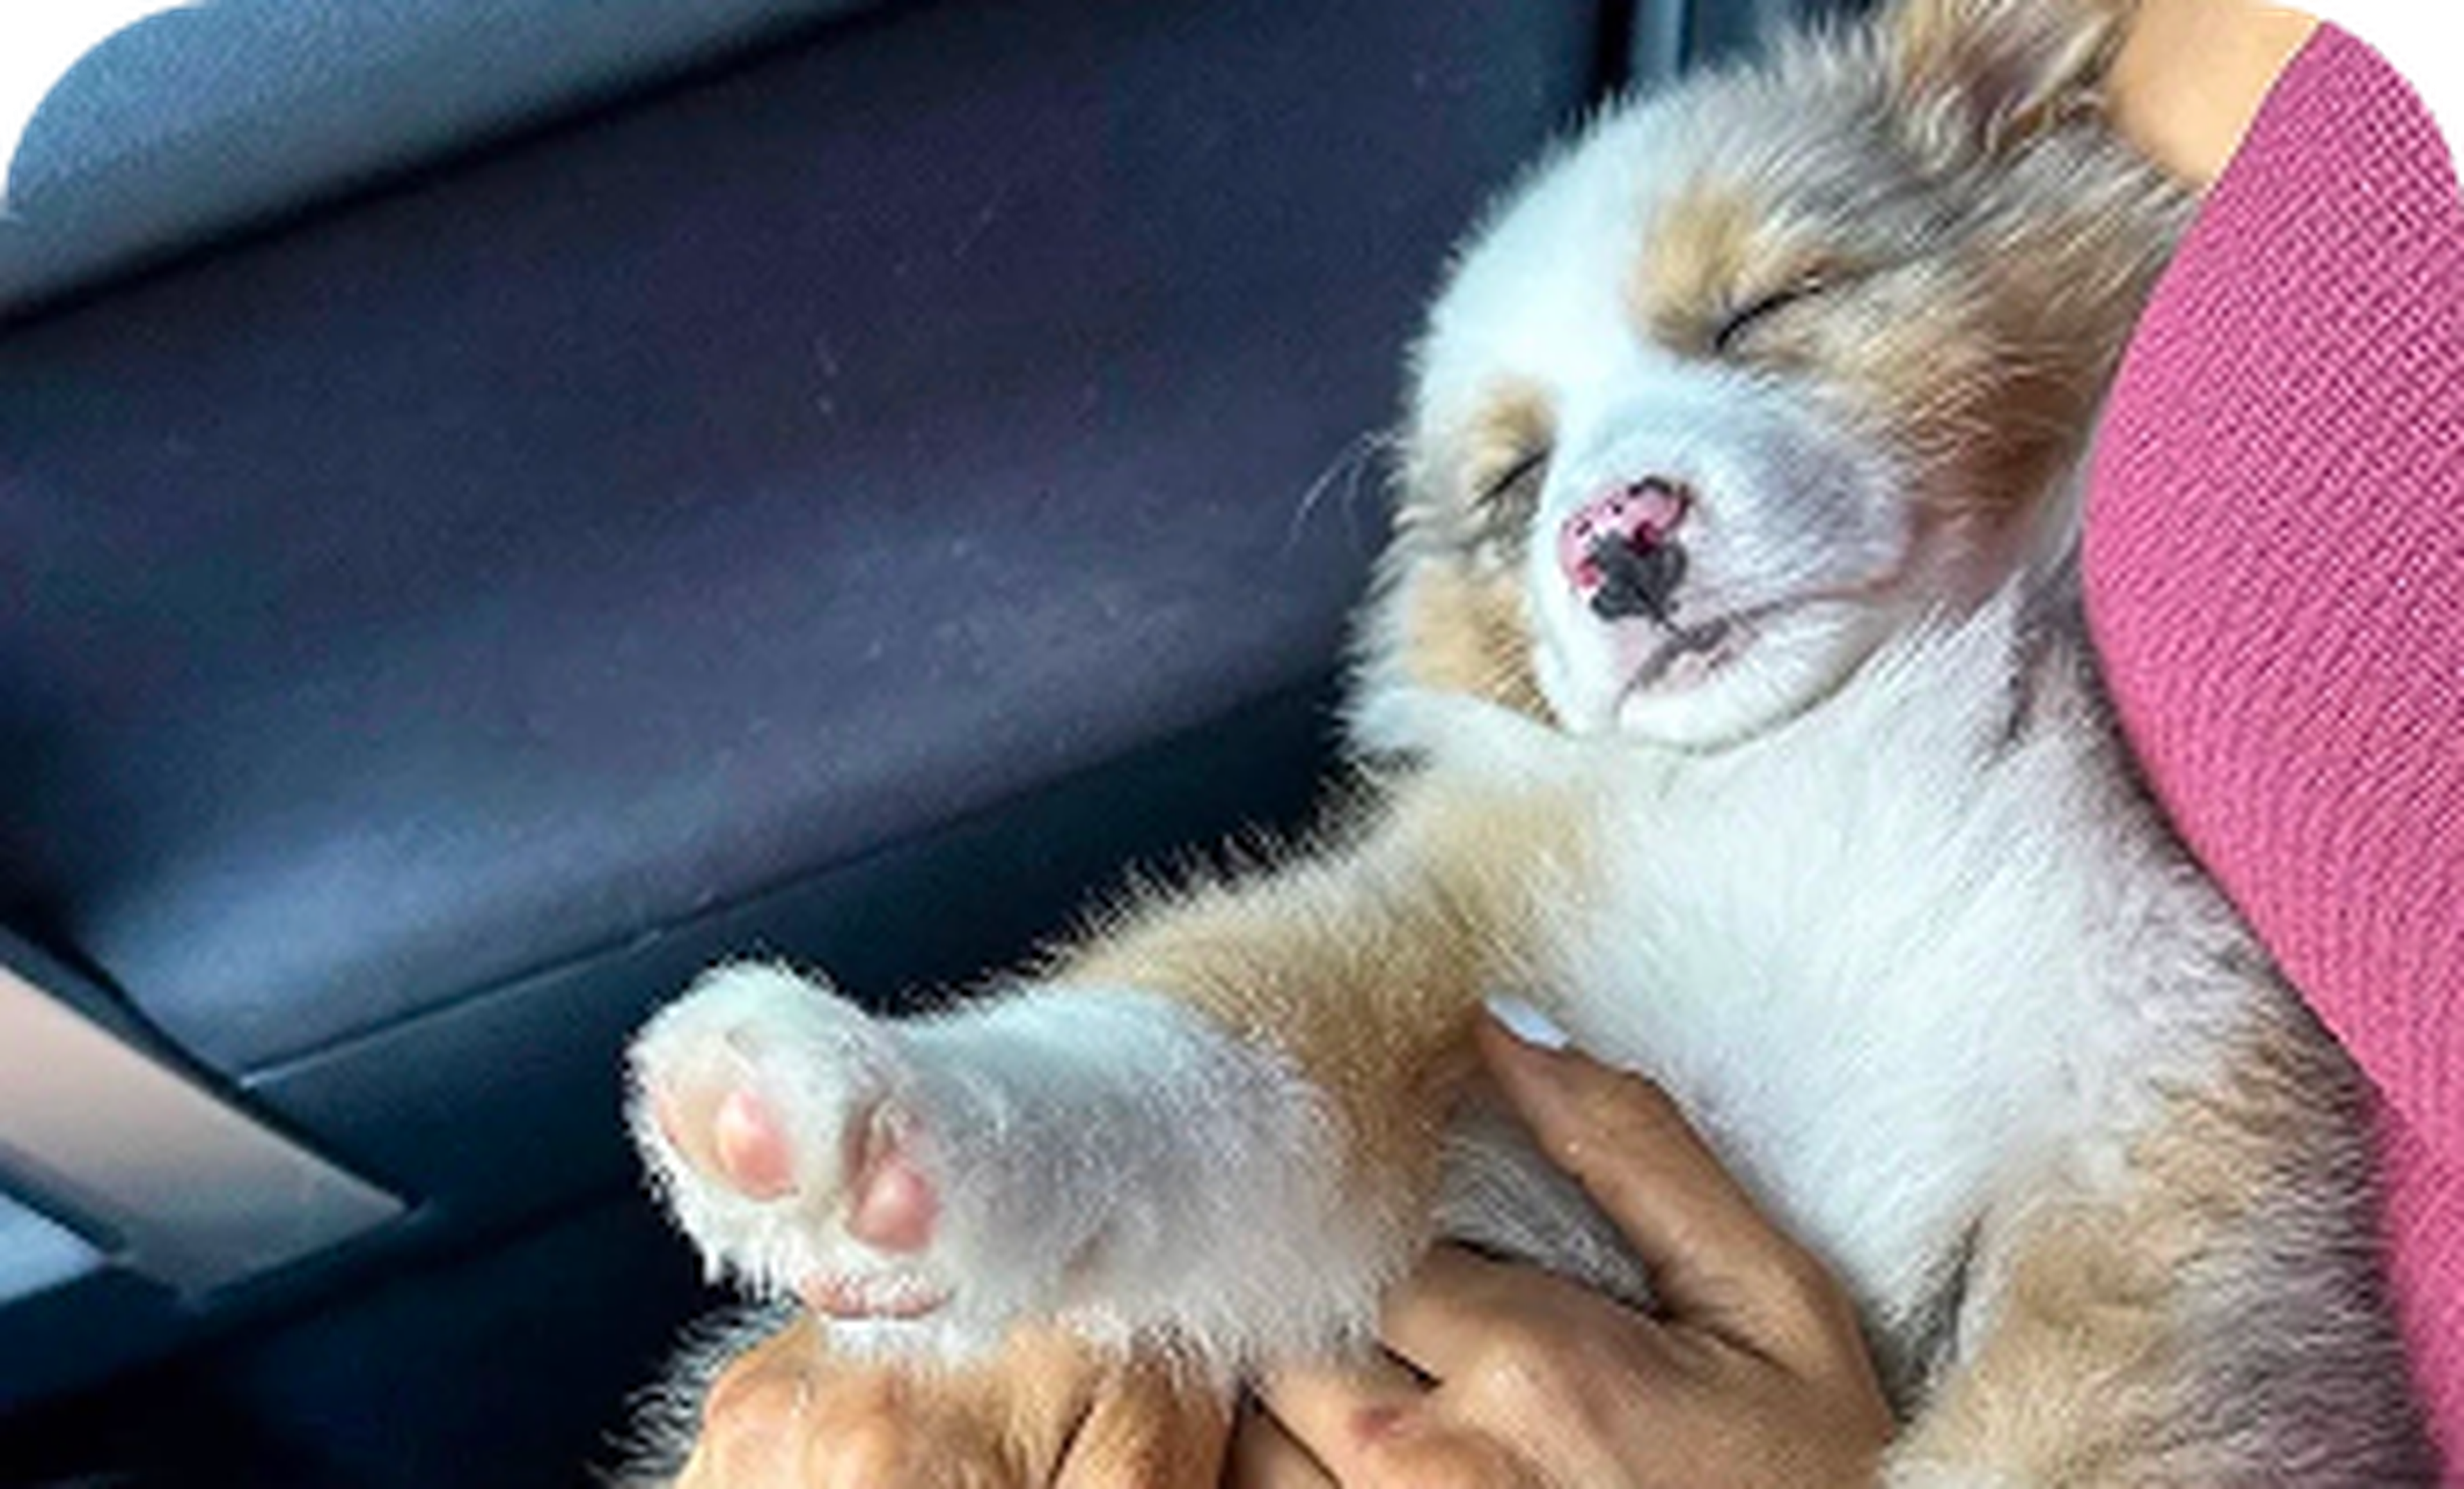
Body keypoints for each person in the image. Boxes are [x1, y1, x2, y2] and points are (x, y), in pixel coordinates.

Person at [680, 2, 2462, 1481]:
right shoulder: (1556, 812)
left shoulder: (2195, 865)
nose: (1609, 518)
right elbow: (1333, 996)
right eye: (1517, 485)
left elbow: (2172, 1386)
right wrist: (1010, 1135)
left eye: (1761, 316)